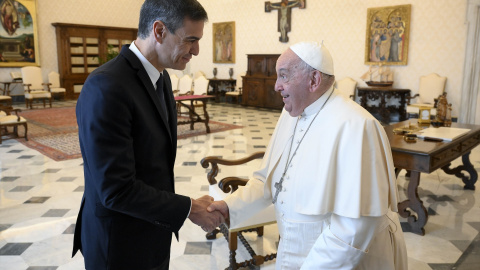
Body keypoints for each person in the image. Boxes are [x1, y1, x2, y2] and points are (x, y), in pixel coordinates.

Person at [208, 41, 408, 269]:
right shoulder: (291, 113)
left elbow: (354, 228)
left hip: (337, 262)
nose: (276, 86)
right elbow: (267, 180)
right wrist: (229, 206)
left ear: (313, 80)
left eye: (283, 76)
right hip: (293, 252)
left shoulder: (357, 126)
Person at [72, 1, 224, 269]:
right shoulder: (107, 85)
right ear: (159, 31)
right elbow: (116, 190)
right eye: (191, 40)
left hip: (152, 231)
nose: (197, 51)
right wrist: (189, 208)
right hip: (118, 243)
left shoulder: (161, 78)